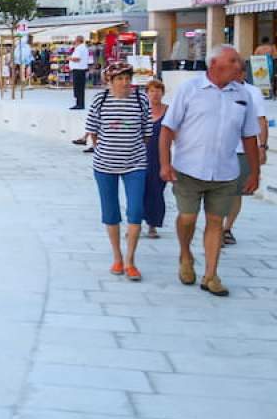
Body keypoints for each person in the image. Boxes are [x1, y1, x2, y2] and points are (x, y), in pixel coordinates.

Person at [160, 44, 261, 297]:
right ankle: (185, 254)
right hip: (188, 169)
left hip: (226, 171)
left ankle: (211, 274)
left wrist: (254, 171)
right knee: (188, 218)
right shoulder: (189, 90)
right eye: (234, 61)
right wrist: (164, 163)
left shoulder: (243, 95)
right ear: (215, 64)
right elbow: (167, 129)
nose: (240, 65)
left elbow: (249, 136)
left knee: (216, 221)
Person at [84, 61, 152, 281]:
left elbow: (146, 132)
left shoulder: (141, 100)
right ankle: (117, 257)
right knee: (110, 212)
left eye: (127, 78)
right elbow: (93, 132)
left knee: (136, 210)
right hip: (104, 166)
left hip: (135, 164)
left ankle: (131, 260)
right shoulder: (100, 100)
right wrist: (105, 150)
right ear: (110, 81)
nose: (125, 83)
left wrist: (132, 150)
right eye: (120, 79)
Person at [221, 62, 268, 246]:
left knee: (236, 192)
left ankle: (226, 228)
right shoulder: (219, 90)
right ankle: (216, 226)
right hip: (221, 149)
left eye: (238, 71)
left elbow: (261, 121)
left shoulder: (253, 93)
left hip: (243, 150)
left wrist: (262, 147)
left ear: (243, 73)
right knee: (220, 190)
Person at [143, 78, 169, 239]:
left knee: (157, 191)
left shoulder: (169, 111)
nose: (155, 94)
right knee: (139, 190)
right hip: (140, 155)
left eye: (158, 90)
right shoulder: (141, 110)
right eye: (152, 91)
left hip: (161, 156)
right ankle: (135, 223)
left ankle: (153, 224)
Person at [69, 35, 89, 109]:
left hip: (78, 70)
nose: (74, 42)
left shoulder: (80, 48)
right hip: (81, 70)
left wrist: (70, 58)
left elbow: (77, 59)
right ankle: (79, 103)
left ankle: (79, 104)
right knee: (80, 88)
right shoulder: (83, 48)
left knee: (78, 88)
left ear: (78, 41)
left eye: (75, 40)